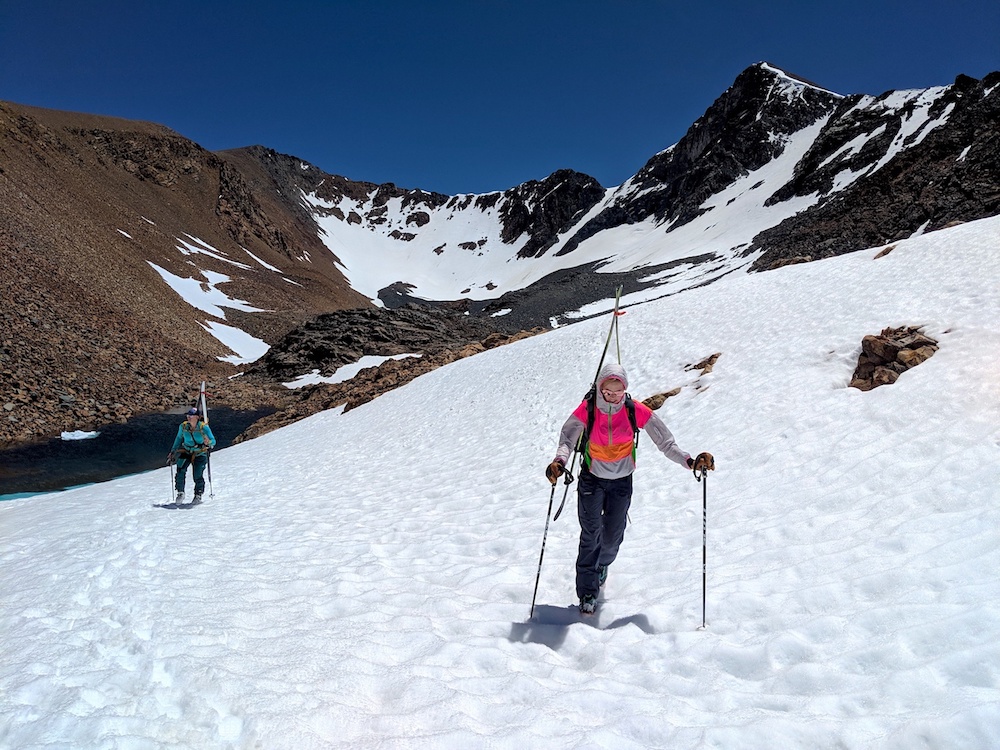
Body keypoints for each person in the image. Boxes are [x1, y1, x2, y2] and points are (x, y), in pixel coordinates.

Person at [546, 363, 714, 615]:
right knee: (591, 534)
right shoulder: (588, 409)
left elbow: (665, 442)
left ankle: (602, 564)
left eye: (619, 391)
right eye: (608, 391)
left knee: (613, 537)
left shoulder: (635, 410)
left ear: (625, 389)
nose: (613, 396)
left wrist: (689, 462)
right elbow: (568, 438)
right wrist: (559, 462)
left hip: (622, 482)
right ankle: (588, 591)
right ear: (599, 388)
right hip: (592, 479)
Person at [168, 407, 216, 504]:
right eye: (188, 416)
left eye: (191, 416)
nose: (189, 418)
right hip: (187, 451)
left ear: (197, 417)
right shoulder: (183, 426)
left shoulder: (204, 427)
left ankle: (198, 494)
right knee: (180, 470)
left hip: (200, 453)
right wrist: (173, 451)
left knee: (197, 474)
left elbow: (213, 441)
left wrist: (208, 442)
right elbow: (178, 438)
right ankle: (180, 492)